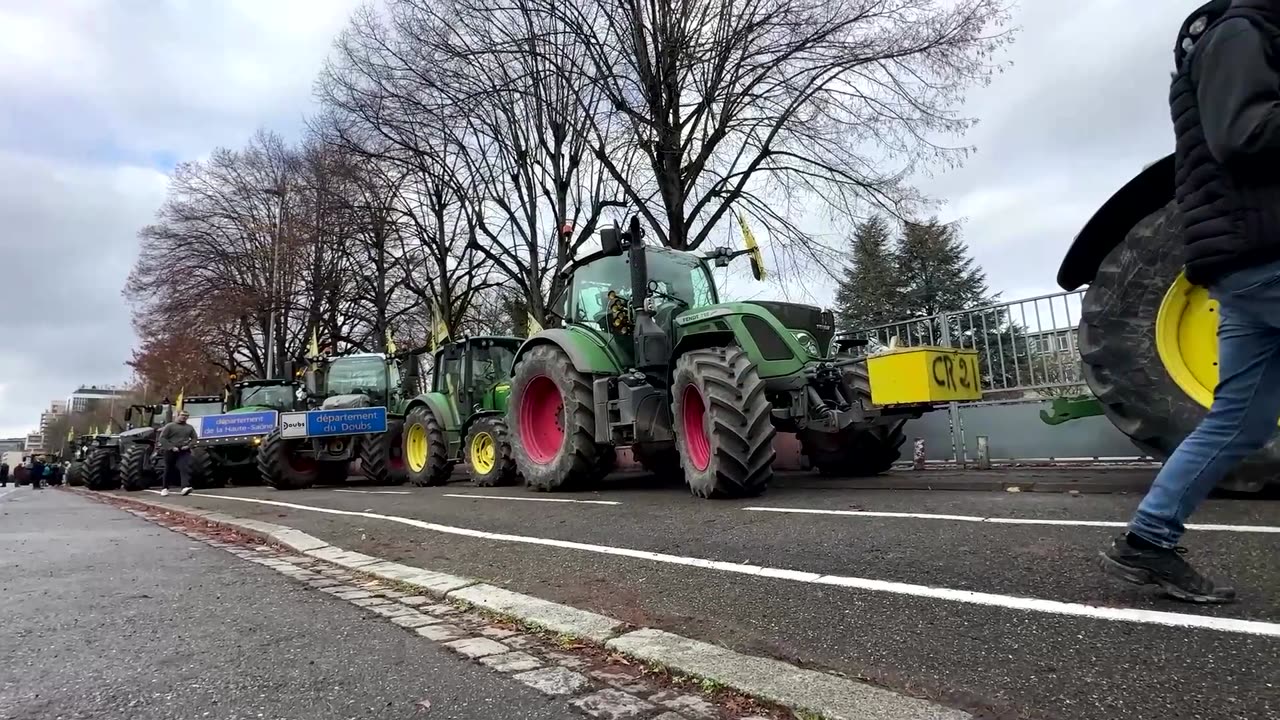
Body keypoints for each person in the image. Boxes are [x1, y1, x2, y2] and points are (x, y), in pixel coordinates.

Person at [1101, 0, 1280, 604]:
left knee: (1243, 420)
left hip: (1244, 256)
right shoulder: (1241, 31)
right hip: (1264, 250)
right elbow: (1245, 133)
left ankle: (1148, 542)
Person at [157, 410, 197, 497]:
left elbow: (194, 438)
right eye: (182, 415)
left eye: (186, 416)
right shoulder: (169, 426)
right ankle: (165, 488)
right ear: (177, 415)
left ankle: (185, 487)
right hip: (171, 451)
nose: (184, 417)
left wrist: (189, 446)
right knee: (169, 469)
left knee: (184, 467)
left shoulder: (189, 427)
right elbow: (162, 438)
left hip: (184, 450)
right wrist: (171, 447)